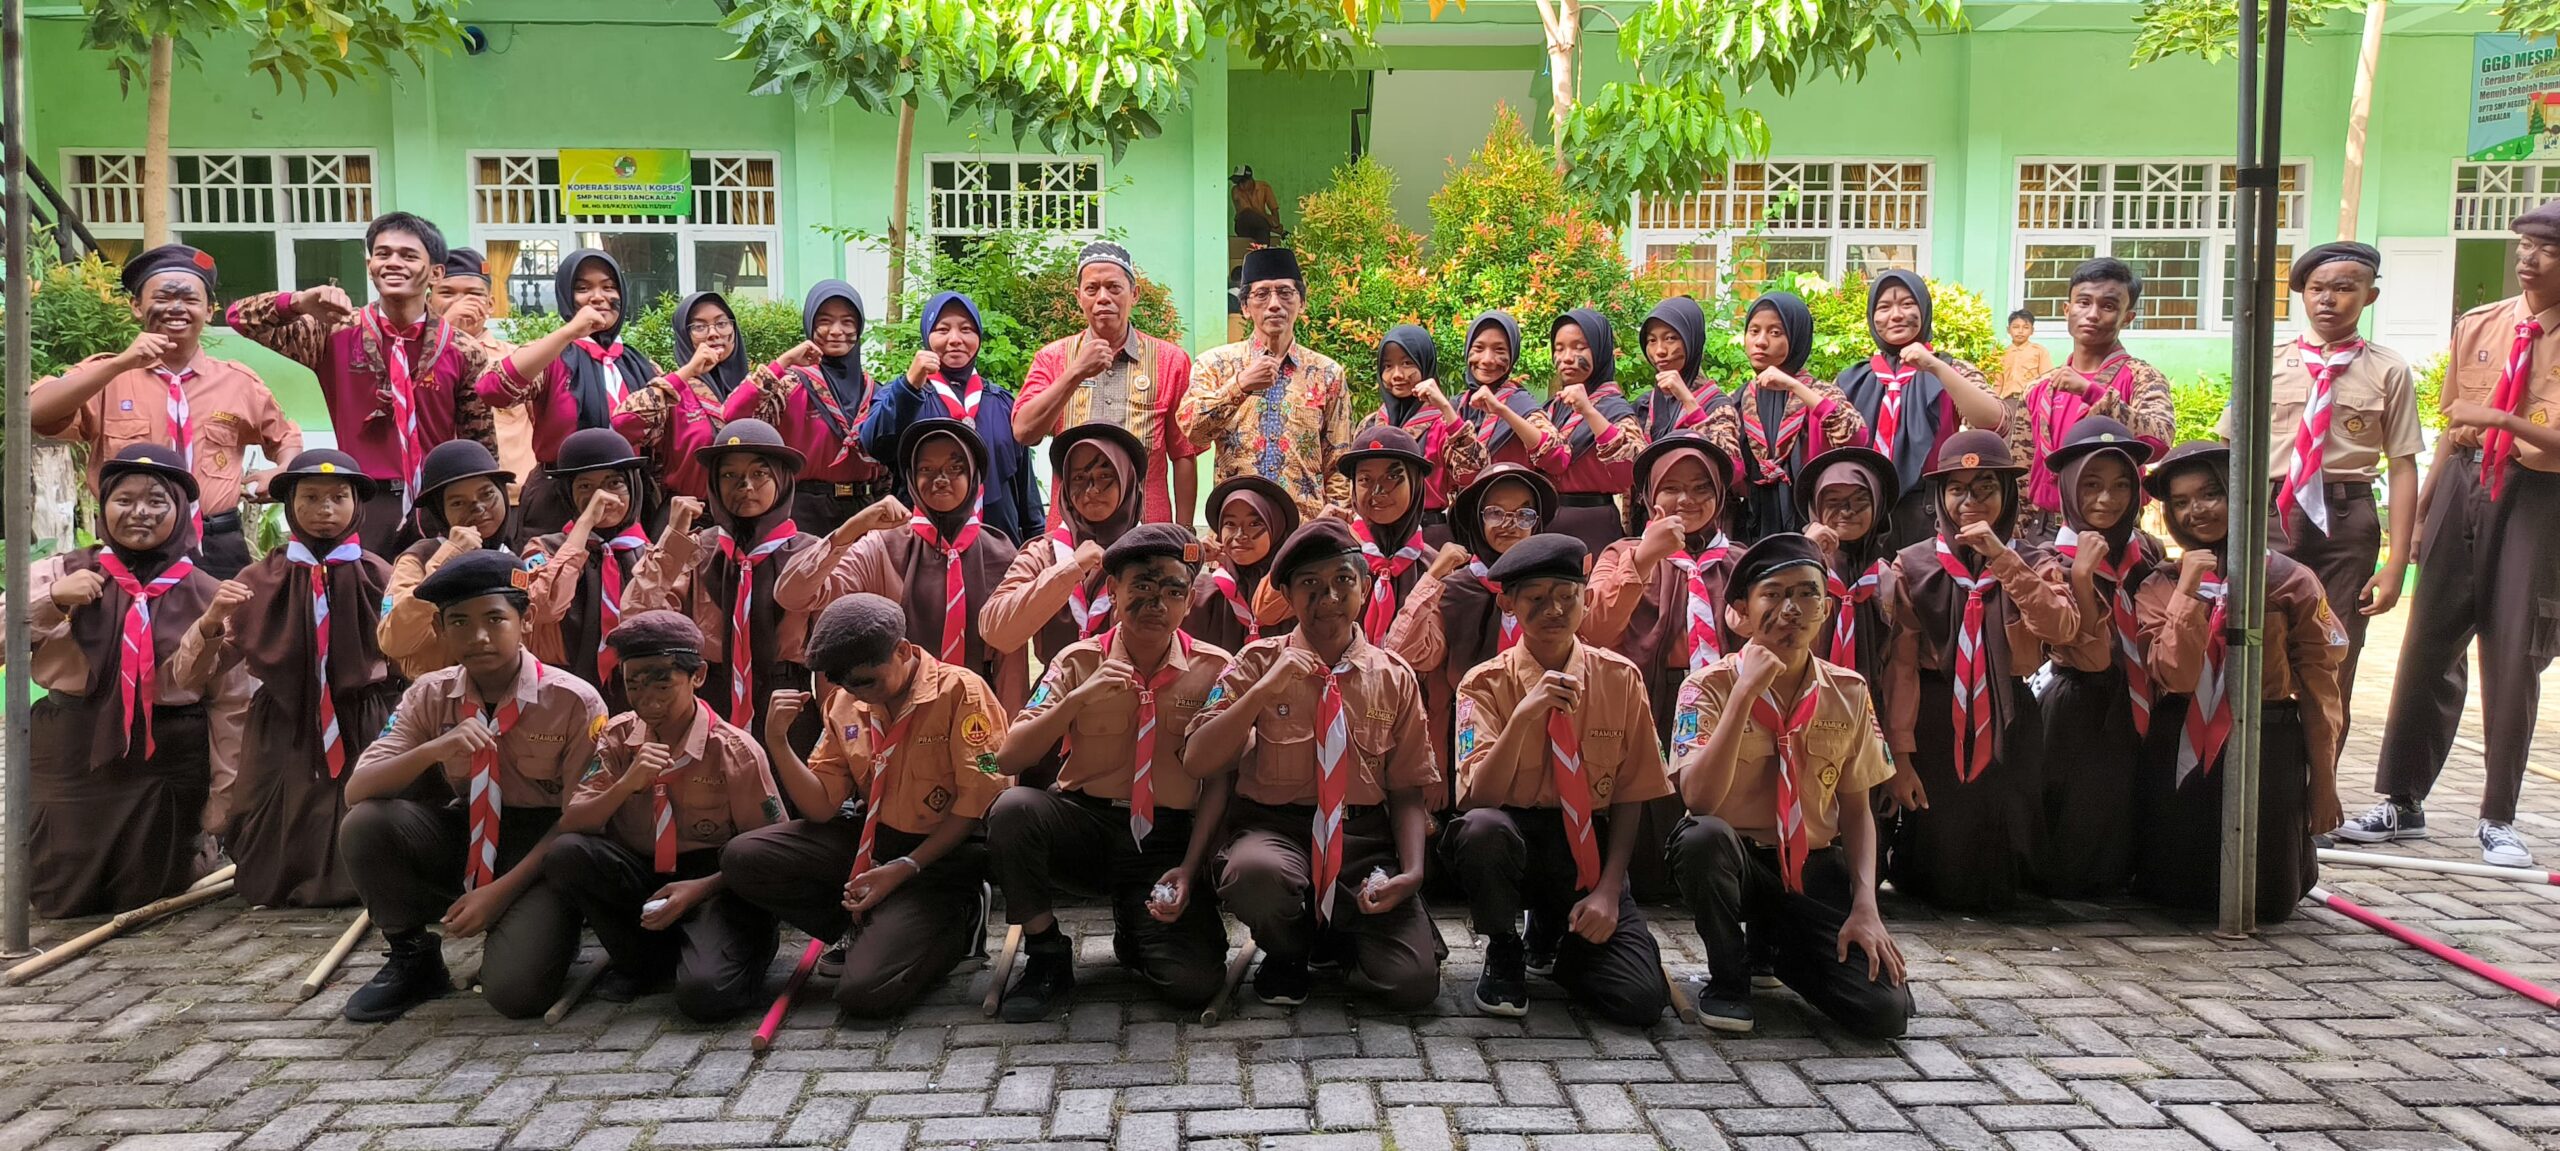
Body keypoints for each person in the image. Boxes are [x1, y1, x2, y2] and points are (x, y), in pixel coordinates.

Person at [2346, 200, 2560, 868]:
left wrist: (2502, 419)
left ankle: (2498, 816)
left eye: (2547, 249)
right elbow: (2450, 429)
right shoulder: (2482, 323)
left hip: (2538, 495)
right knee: (2428, 640)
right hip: (2465, 480)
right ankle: (2401, 799)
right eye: (2524, 245)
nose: (2528, 259)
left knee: (2514, 650)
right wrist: (2421, 515)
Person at [335, 549, 603, 1022]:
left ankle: (553, 924)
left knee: (516, 996)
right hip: (470, 831)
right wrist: (433, 750)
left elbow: (581, 821)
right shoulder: (429, 693)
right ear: (439, 629)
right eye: (459, 622)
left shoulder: (573, 701)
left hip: (545, 846)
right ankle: (413, 957)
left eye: (494, 619)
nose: (478, 637)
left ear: (526, 620)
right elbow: (358, 790)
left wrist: (496, 896)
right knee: (367, 823)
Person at [1185, 519, 1441, 1010]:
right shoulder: (1255, 662)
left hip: (1362, 840)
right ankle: (1288, 950)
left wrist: (1412, 872)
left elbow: (1408, 788)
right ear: (1286, 595)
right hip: (1278, 831)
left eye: (1343, 580)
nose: (1329, 597)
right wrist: (1264, 689)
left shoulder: (1393, 676)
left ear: (1364, 586)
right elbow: (1199, 759)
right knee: (1254, 872)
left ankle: (1338, 939)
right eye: (1310, 584)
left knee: (1411, 985)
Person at [1664, 532, 1911, 1038]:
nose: (1791, 610)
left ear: (1825, 608)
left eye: (1805, 594)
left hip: (1810, 868)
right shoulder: (1705, 687)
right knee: (1700, 838)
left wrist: (1866, 906)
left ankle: (1779, 949)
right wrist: (1744, 693)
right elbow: (1699, 800)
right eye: (1772, 595)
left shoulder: (1848, 691)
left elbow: (1857, 810)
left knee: (1885, 1011)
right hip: (1737, 865)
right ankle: (1729, 976)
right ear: (1740, 612)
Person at [988, 524, 1235, 1019]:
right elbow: (1006, 759)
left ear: (1189, 601)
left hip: (1166, 840)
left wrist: (1190, 868)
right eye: (1141, 586)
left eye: (1173, 591)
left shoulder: (1216, 670)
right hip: (1086, 828)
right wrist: (1078, 699)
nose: (1156, 603)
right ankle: (1047, 953)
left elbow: (1219, 781)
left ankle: (1136, 929)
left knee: (1193, 983)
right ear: (1113, 592)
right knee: (1013, 809)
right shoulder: (1077, 661)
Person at [721, 594, 1009, 1017]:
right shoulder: (845, 702)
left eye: (866, 681)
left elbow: (980, 798)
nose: (857, 693)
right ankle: (862, 926)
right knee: (743, 856)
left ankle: (962, 922)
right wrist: (778, 743)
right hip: (873, 842)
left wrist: (906, 867)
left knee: (864, 993)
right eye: (845, 684)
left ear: (903, 651)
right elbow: (821, 807)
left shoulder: (960, 692)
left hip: (941, 855)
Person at [1443, 534, 1670, 1025]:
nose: (1555, 609)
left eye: (1568, 595)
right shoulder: (1483, 684)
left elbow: (1631, 795)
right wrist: (1524, 716)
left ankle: (1558, 940)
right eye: (1537, 597)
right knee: (1481, 830)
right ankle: (1505, 945)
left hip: (1587, 849)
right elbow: (1478, 798)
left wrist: (1609, 891)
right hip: (1514, 840)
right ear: (1508, 604)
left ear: (1586, 598)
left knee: (1640, 1000)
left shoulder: (1620, 678)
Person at [170, 449, 400, 908]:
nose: (325, 510)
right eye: (310, 498)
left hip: (363, 720)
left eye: (338, 498)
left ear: (357, 504)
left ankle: (366, 877)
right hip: (283, 723)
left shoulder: (382, 576)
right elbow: (196, 674)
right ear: (290, 504)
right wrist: (212, 622)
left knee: (365, 807)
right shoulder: (258, 579)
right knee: (277, 817)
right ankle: (286, 877)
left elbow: (408, 655)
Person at [2135, 443, 2346, 921]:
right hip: (2183, 739)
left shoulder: (2290, 580)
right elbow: (2177, 675)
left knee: (2267, 901)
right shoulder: (2161, 584)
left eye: (2211, 493)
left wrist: (2323, 782)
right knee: (2174, 894)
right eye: (2181, 502)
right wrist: (2189, 592)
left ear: (2241, 495)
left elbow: (2320, 688)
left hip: (2266, 740)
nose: (2196, 510)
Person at [24, 445, 230, 917]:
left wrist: (225, 794)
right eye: (125, 499)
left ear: (181, 512)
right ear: (103, 507)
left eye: (157, 500)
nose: (140, 512)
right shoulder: (60, 572)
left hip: (166, 756)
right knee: (61, 896)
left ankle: (198, 850)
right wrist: (53, 601)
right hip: (73, 749)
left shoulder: (208, 593)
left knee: (154, 893)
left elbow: (230, 700)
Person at [2218, 242, 2420, 723]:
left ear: (2370, 296)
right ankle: (2265, 763)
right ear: (2303, 295)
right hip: (2270, 515)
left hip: (2346, 524)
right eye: (2316, 289)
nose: (2328, 299)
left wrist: (2396, 563)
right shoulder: (2265, 360)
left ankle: (2322, 768)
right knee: (2261, 644)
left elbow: (2403, 464)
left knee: (2334, 654)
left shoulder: (2388, 369)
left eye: (2344, 288)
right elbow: (2228, 448)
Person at [550, 611, 783, 1019]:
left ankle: (739, 948)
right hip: (644, 872)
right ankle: (642, 961)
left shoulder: (734, 751)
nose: (648, 698)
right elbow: (574, 821)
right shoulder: (617, 737)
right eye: (633, 684)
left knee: (706, 997)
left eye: (662, 683)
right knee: (568, 853)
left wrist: (701, 889)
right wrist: (627, 784)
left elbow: (769, 852)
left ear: (697, 676)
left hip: (716, 880)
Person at [1880, 431, 2078, 912]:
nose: (1970, 501)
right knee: (1942, 857)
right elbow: (1902, 666)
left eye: (1986, 487)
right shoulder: (1912, 565)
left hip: (2009, 709)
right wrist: (1901, 755)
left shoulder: (2034, 559)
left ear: (2007, 494)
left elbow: (2061, 627)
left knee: (2005, 841)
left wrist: (2002, 558)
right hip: (1934, 714)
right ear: (1939, 498)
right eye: (1957, 489)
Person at [225, 214, 497, 556]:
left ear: (436, 272)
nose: (393, 263)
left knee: (434, 587)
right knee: (362, 588)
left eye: (408, 255)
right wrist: (299, 302)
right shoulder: (333, 331)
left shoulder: (462, 349)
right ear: (370, 266)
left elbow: (480, 443)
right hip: (360, 498)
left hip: (437, 501)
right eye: (383, 254)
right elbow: (240, 317)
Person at [30, 244, 301, 580]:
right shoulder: (107, 375)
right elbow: (34, 413)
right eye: (163, 297)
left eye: (189, 299)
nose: (176, 307)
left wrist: (284, 469)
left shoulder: (238, 382)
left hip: (216, 545)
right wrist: (120, 364)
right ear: (136, 306)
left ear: (209, 310)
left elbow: (286, 437)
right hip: (131, 542)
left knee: (228, 616)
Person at [1581, 433, 1738, 903]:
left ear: (1720, 496)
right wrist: (1646, 556)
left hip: (1723, 700)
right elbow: (1594, 629)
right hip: (1648, 697)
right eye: (1672, 487)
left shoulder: (1739, 561)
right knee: (1648, 805)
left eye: (1701, 488)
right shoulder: (1621, 553)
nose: (1686, 499)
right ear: (1649, 498)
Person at [778, 419, 1031, 709]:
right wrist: (852, 528)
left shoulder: (999, 553)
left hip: (976, 713)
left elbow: (1011, 664)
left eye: (955, 468)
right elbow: (793, 595)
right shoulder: (882, 547)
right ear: (911, 477)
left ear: (974, 476)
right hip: (893, 712)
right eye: (926, 469)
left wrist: (1009, 732)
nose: (940, 479)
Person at [625, 419, 824, 758]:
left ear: (782, 480)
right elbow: (637, 617)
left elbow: (829, 650)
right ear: (714, 485)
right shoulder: (694, 550)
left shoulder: (811, 554)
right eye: (729, 475)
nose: (745, 486)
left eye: (760, 474)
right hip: (708, 698)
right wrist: (673, 538)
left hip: (789, 698)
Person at [2032, 417, 2156, 898]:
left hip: (2139, 697)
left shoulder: (2146, 554)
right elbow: (2082, 649)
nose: (2107, 499)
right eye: (2091, 485)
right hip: (2079, 705)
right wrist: (2081, 578)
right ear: (2067, 487)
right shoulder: (2049, 559)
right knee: (2079, 817)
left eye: (2122, 485)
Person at [477, 248, 663, 545]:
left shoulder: (641, 366)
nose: (598, 297)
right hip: (558, 500)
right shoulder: (553, 356)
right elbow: (492, 389)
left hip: (627, 499)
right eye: (583, 288)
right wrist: (571, 332)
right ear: (566, 296)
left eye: (608, 287)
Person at [1014, 241, 1202, 527]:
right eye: (1092, 289)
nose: (1103, 298)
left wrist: (1184, 531)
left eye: (1114, 287)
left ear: (1134, 294)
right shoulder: (1052, 358)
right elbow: (1024, 432)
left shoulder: (1171, 361)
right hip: (1070, 532)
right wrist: (1076, 372)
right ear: (1078, 297)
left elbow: (1183, 453)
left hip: (1146, 530)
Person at [1414, 465, 1559, 799]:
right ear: (1476, 520)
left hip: (1545, 735)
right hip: (1465, 735)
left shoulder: (1555, 589)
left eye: (1523, 514)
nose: (1509, 524)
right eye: (1495, 512)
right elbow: (1415, 659)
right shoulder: (1453, 589)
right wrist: (1436, 765)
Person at [1834, 270, 2007, 551]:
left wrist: (1935, 367)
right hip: (1864, 511)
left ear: (1924, 310)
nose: (1896, 315)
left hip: (1931, 511)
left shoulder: (1950, 370)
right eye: (1884, 307)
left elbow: (1995, 422)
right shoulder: (1851, 379)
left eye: (1907, 304)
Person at [1180, 248, 1356, 517]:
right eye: (1261, 294)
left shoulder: (1327, 373)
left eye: (1285, 292)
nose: (1274, 304)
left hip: (1306, 528)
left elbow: (1339, 460)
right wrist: (1240, 385)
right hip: (1239, 528)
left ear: (1302, 303)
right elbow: (1193, 431)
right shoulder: (1215, 365)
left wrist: (1335, 522)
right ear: (1245, 307)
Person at [859, 290, 1043, 546]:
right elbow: (873, 444)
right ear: (927, 336)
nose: (955, 339)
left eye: (966, 329)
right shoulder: (905, 394)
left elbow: (1025, 487)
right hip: (923, 551)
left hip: (999, 550)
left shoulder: (1002, 402)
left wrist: (1036, 540)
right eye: (943, 330)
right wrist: (909, 385)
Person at [2013, 257, 2176, 545]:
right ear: (2067, 309)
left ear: (2127, 318)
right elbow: (2023, 469)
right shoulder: (2040, 387)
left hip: (2113, 530)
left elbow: (2160, 439)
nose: (2092, 314)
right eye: (2083, 302)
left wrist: (2094, 394)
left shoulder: (2139, 376)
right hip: (2044, 532)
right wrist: (2019, 535)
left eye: (2108, 306)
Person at [727, 280, 896, 528]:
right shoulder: (791, 385)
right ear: (810, 325)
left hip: (866, 508)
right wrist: (783, 362)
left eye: (847, 321)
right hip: (804, 512)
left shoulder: (875, 392)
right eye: (825, 321)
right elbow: (732, 416)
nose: (836, 330)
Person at [522, 428, 663, 714]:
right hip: (560, 690)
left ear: (633, 487)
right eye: (585, 486)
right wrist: (584, 525)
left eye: (614, 483)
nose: (602, 496)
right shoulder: (542, 548)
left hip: (636, 692)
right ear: (568, 494)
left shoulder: (651, 553)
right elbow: (544, 608)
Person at [982, 423, 1148, 664]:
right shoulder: (1043, 553)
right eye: (1079, 477)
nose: (1092, 490)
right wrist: (1069, 570)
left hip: (1131, 687)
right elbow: (995, 632)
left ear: (1127, 480)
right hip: (1056, 688)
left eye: (1105, 476)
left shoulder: (1152, 554)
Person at [1321, 426, 1472, 669]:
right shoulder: (1333, 552)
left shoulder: (1434, 566)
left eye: (1392, 477)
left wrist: (1431, 578)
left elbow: (1422, 657)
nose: (1378, 492)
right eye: (1365, 479)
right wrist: (1310, 540)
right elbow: (1266, 608)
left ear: (1416, 485)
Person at [1729, 291, 1866, 540]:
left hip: (1813, 520)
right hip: (1752, 523)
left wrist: (1794, 386)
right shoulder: (1739, 400)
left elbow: (1855, 437)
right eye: (1754, 331)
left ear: (1797, 337)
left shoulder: (1819, 393)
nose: (1760, 342)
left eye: (1775, 333)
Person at [379, 439, 518, 678]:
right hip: (438, 694)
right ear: (440, 511)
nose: (478, 508)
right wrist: (447, 561)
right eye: (458, 503)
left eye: (487, 494)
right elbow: (393, 641)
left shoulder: (513, 557)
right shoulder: (419, 559)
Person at [1353, 325, 1486, 546]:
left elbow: (1474, 474)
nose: (1397, 375)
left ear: (1425, 365)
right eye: (1388, 366)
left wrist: (1445, 407)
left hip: (1428, 537)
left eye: (1407, 363)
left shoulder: (1444, 423)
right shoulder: (1371, 425)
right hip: (1374, 538)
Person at [614, 292, 747, 501]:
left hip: (748, 511)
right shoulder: (674, 391)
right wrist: (688, 371)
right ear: (684, 335)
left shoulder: (755, 387)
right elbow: (624, 424)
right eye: (699, 327)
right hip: (690, 513)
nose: (713, 333)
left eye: (722, 323)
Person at [1538, 309, 1648, 554]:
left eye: (1579, 348)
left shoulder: (1614, 408)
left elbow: (1632, 470)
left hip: (1593, 524)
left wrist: (1588, 410)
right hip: (1548, 522)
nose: (1567, 357)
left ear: (1599, 351)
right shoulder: (1552, 408)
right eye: (1559, 348)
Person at [429, 247, 535, 493]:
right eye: (447, 293)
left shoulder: (517, 359)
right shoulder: (414, 360)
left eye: (474, 294)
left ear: (491, 304)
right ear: (428, 301)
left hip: (514, 497)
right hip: (444, 495)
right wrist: (446, 332)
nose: (461, 302)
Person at [1795, 445, 1902, 681]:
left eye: (1860, 500)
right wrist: (1804, 554)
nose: (1847, 511)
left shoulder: (1888, 577)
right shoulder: (1792, 564)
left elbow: (1900, 660)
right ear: (1816, 506)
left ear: (1878, 506)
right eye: (1833, 501)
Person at [1185, 475, 1301, 653]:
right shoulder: (1203, 592)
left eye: (1254, 523)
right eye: (1230, 524)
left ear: (1276, 528)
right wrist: (1187, 560)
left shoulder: (1293, 591)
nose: (1240, 535)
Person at [1458, 310, 1566, 476]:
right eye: (1478, 348)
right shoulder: (1458, 405)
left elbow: (1558, 458)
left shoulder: (1521, 403)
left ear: (1512, 354)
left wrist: (1503, 411)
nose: (1487, 360)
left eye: (1499, 350)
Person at [1636, 296, 1738, 450]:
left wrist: (1688, 401)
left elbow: (1729, 460)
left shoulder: (1717, 406)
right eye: (1652, 340)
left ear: (1691, 340)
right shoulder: (1643, 406)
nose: (1660, 350)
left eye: (1670, 338)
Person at [1994, 308, 2051, 402]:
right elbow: (1998, 384)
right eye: (2016, 327)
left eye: (2026, 327)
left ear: (2032, 330)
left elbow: (2046, 381)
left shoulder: (2039, 351)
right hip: (2008, 401)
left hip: (2030, 401)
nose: (2020, 331)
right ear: (2008, 330)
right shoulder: (2001, 354)